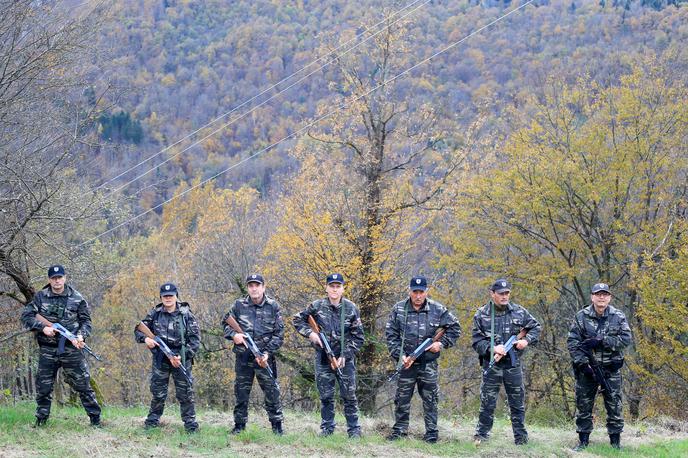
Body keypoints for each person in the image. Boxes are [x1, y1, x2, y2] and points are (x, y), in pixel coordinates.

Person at [21, 264, 102, 427]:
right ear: (49, 280)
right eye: (53, 278)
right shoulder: (40, 296)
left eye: (60, 278)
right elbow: (26, 317)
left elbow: (86, 321)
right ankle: (41, 420)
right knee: (43, 387)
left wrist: (80, 336)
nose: (57, 281)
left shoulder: (77, 297)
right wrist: (43, 328)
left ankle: (95, 419)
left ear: (65, 278)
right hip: (47, 350)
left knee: (83, 384)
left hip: (71, 349)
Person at [385, 276, 461, 443]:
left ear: (427, 291)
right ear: (409, 291)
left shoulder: (438, 309)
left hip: (428, 364)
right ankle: (399, 431)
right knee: (402, 398)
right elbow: (391, 336)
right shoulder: (398, 309)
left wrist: (440, 344)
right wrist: (399, 355)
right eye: (415, 292)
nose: (418, 296)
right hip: (406, 363)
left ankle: (432, 433)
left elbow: (455, 328)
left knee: (430, 399)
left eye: (421, 292)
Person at [293, 273, 364, 438]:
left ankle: (354, 430)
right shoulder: (316, 306)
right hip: (323, 358)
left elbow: (359, 337)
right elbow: (297, 319)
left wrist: (345, 355)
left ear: (343, 289)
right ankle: (327, 429)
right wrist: (311, 334)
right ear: (326, 288)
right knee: (326, 396)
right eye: (331, 286)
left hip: (345, 360)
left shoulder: (351, 308)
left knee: (349, 396)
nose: (334, 289)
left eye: (338, 286)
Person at [472, 278, 541, 446]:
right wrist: (492, 349)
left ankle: (521, 439)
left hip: (513, 365)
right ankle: (482, 436)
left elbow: (536, 327)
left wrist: (527, 340)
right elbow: (476, 342)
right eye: (501, 294)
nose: (504, 296)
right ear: (492, 294)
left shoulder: (519, 311)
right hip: (492, 365)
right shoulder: (482, 314)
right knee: (487, 402)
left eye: (507, 293)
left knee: (517, 403)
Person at [567, 282, 632, 451]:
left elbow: (626, 340)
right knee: (583, 406)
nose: (601, 297)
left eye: (605, 294)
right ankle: (583, 442)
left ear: (609, 297)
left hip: (611, 369)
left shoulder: (618, 316)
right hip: (587, 371)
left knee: (615, 405)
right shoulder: (581, 316)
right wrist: (583, 365)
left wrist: (603, 341)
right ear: (592, 297)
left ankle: (615, 444)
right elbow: (573, 343)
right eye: (598, 294)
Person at [222, 274, 285, 435]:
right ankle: (239, 426)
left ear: (263, 287)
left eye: (257, 285)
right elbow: (225, 324)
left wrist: (267, 353)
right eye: (251, 285)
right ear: (248, 288)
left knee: (272, 392)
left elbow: (279, 334)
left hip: (264, 358)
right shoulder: (238, 305)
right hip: (243, 358)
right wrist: (234, 336)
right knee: (241, 393)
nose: (254, 288)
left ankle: (277, 426)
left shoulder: (273, 306)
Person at [134, 283, 200, 432]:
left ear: (176, 296)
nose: (168, 298)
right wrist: (146, 340)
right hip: (160, 360)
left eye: (171, 296)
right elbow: (138, 330)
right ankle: (152, 423)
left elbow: (195, 341)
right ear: (161, 297)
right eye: (165, 296)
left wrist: (182, 357)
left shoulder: (186, 315)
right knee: (158, 392)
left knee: (185, 394)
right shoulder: (155, 314)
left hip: (181, 359)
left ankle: (191, 426)